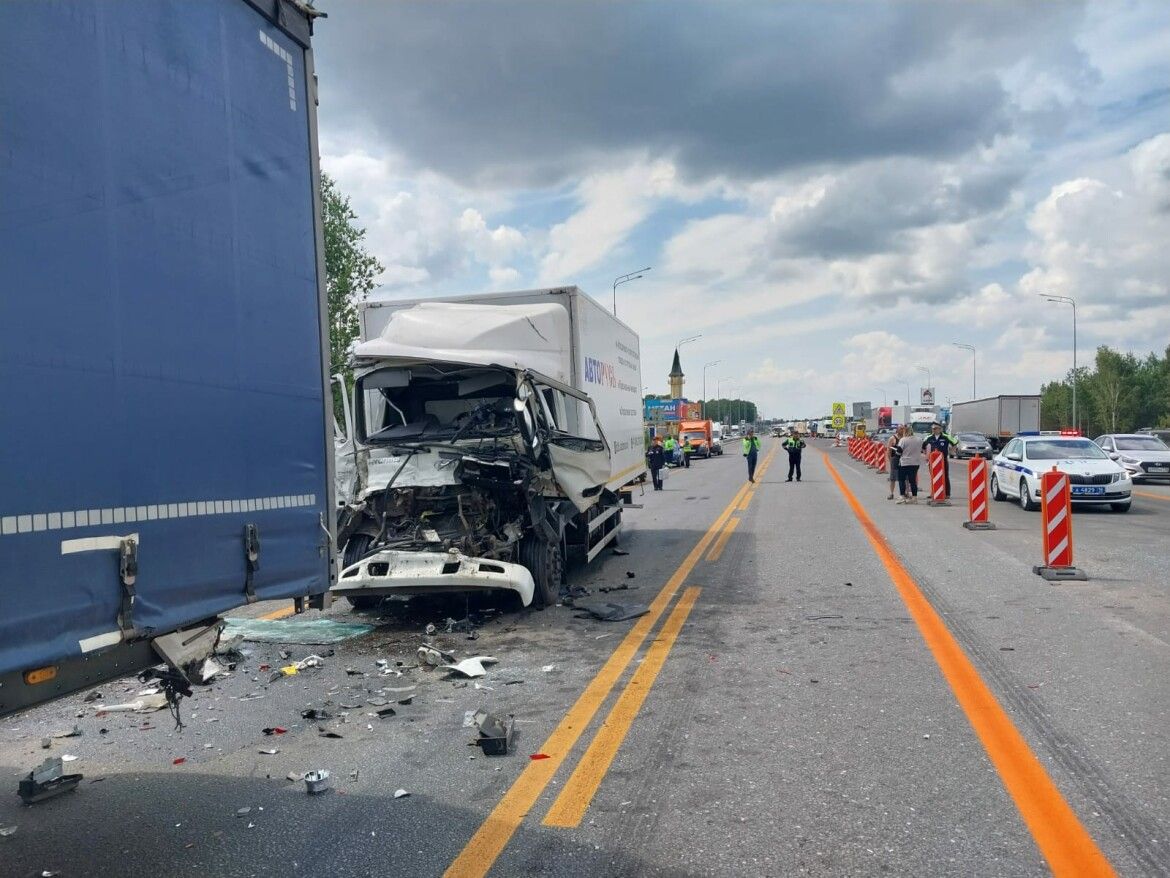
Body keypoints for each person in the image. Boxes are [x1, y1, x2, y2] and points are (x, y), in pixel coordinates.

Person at [921, 422, 955, 498]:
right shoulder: (928, 437)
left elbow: (955, 443)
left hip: (943, 460)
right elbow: (923, 447)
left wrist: (952, 451)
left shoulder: (946, 436)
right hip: (932, 460)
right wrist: (927, 455)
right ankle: (933, 492)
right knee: (933, 476)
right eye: (933, 429)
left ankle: (947, 493)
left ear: (940, 429)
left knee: (945, 476)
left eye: (935, 428)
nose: (934, 430)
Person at [896, 425, 923, 503]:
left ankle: (902, 496)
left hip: (904, 463)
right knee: (913, 481)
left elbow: (899, 452)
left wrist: (896, 460)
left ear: (905, 431)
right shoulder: (919, 439)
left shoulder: (903, 440)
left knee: (901, 480)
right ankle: (914, 498)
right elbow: (925, 447)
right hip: (915, 463)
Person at [886, 428, 902, 500]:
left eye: (903, 429)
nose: (902, 430)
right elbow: (889, 450)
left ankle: (904, 493)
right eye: (900, 429)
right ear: (897, 430)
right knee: (893, 478)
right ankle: (891, 493)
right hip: (894, 459)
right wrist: (890, 460)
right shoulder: (893, 438)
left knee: (904, 478)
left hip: (903, 460)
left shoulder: (905, 438)